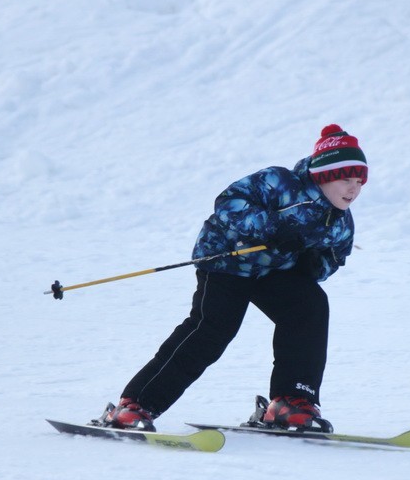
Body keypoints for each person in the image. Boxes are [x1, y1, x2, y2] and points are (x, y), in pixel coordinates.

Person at [104, 124, 367, 433]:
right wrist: (272, 228)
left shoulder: (340, 222)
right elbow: (230, 202)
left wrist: (309, 264)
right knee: (213, 329)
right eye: (345, 179)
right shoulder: (280, 182)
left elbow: (328, 263)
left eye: (360, 181)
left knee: (308, 304)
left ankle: (291, 403)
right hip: (228, 260)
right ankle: (135, 404)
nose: (353, 189)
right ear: (323, 175)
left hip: (272, 272)